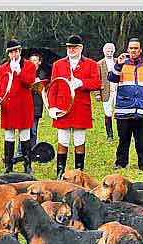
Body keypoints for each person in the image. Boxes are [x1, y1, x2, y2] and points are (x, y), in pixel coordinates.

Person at [48, 35, 101, 178]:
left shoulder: (91, 64)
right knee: (62, 139)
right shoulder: (58, 64)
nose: (71, 50)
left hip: (80, 107)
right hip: (62, 106)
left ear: (81, 48)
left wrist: (82, 83)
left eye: (74, 47)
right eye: (69, 47)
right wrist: (51, 106)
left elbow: (97, 83)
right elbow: (53, 86)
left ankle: (79, 171)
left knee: (79, 140)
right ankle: (60, 171)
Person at [108, 38, 143, 170]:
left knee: (141, 140)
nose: (133, 51)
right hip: (124, 109)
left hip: (142, 109)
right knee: (123, 139)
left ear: (140, 49)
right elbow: (112, 78)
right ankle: (121, 163)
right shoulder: (121, 63)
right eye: (131, 48)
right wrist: (118, 65)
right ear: (127, 49)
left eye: (136, 48)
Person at [0, 39, 36, 174]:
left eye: (16, 51)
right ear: (8, 54)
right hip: (8, 106)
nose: (14, 55)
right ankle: (8, 165)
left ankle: (27, 165)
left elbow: (30, 82)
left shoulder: (29, 66)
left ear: (20, 51)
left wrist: (19, 72)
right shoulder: (3, 68)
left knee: (25, 135)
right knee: (9, 135)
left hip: (23, 105)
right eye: (11, 52)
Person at [16, 51, 48, 159]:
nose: (33, 62)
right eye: (31, 60)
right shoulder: (24, 72)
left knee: (33, 130)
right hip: (24, 105)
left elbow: (43, 88)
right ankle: (20, 152)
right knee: (23, 129)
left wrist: (38, 83)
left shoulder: (42, 74)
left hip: (36, 106)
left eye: (35, 60)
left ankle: (33, 152)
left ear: (39, 62)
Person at [97, 42, 117, 141]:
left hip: (117, 91)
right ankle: (109, 134)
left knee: (120, 112)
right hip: (106, 91)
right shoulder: (100, 64)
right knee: (107, 113)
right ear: (104, 52)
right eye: (108, 51)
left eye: (111, 51)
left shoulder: (117, 61)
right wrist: (97, 93)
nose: (109, 53)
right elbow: (97, 79)